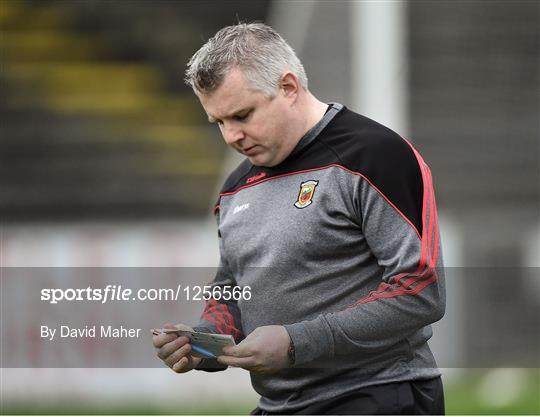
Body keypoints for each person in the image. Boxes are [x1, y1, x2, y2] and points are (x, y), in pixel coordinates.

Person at [153, 22, 446, 415]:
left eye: (242, 115)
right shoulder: (235, 187)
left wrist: (296, 342)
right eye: (220, 122)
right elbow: (231, 286)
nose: (231, 136)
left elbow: (420, 290)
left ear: (288, 87)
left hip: (378, 393)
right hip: (279, 403)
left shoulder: (375, 156)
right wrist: (204, 340)